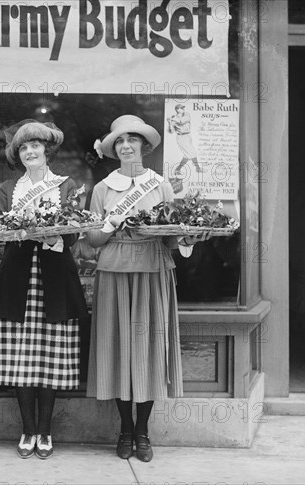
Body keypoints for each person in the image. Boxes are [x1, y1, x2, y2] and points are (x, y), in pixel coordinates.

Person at [87, 115, 207, 462]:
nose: (126, 146)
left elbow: (170, 239)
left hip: (152, 272)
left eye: (133, 140)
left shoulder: (160, 185)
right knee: (119, 350)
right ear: (115, 148)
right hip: (115, 274)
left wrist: (188, 235)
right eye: (120, 141)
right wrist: (109, 225)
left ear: (143, 146)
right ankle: (124, 430)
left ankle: (143, 432)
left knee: (149, 350)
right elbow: (93, 240)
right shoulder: (102, 188)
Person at [0, 120, 88, 460]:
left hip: (55, 279)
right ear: (18, 154)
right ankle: (27, 429)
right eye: (24, 147)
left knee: (49, 357)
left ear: (47, 150)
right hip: (17, 279)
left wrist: (53, 236)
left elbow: (74, 232)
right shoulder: (8, 187)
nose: (31, 151)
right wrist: (18, 232)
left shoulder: (66, 185)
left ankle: (45, 431)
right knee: (20, 358)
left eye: (36, 146)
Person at [167, 104, 202, 174]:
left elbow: (181, 121)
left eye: (183, 108)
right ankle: (197, 168)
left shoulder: (187, 115)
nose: (183, 109)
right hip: (181, 137)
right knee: (192, 153)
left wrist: (172, 119)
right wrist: (170, 123)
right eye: (181, 108)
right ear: (177, 110)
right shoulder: (173, 119)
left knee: (187, 155)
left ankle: (177, 170)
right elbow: (171, 131)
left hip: (188, 136)